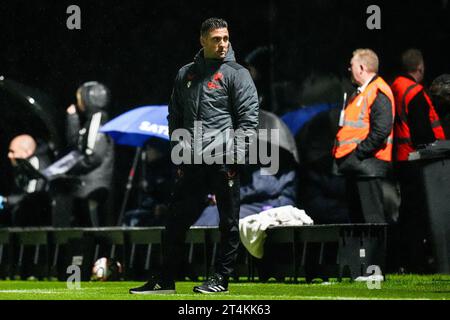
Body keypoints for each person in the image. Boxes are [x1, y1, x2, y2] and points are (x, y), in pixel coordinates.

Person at [130, 17, 259, 294]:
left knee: (227, 221)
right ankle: (165, 280)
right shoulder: (185, 74)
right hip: (193, 160)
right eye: (216, 39)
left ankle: (220, 279)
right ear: (202, 40)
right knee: (176, 220)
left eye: (225, 38)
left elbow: (249, 120)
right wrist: (179, 156)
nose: (223, 44)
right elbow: (175, 116)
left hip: (224, 158)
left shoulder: (237, 73)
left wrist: (236, 157)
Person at [391, 50, 447, 272]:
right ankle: (418, 262)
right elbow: (422, 132)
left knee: (406, 213)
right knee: (418, 214)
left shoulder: (395, 86)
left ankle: (403, 260)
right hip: (416, 160)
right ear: (420, 67)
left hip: (400, 158)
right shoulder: (414, 92)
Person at [332, 49, 395, 223]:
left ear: (361, 67)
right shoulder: (360, 93)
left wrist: (358, 154)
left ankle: (374, 251)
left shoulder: (378, 91)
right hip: (357, 168)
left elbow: (382, 130)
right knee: (359, 221)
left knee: (372, 220)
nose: (349, 69)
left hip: (368, 168)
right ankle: (363, 251)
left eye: (351, 66)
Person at [65, 81, 114, 227]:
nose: (79, 102)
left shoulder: (98, 120)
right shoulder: (92, 120)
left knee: (94, 231)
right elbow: (76, 144)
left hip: (92, 188)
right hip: (88, 186)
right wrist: (72, 118)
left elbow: (94, 157)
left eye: (80, 98)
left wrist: (69, 169)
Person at [0, 134, 52, 226]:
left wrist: (5, 200)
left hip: (34, 220)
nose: (9, 155)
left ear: (26, 152)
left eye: (13, 151)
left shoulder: (35, 164)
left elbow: (31, 196)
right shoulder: (22, 166)